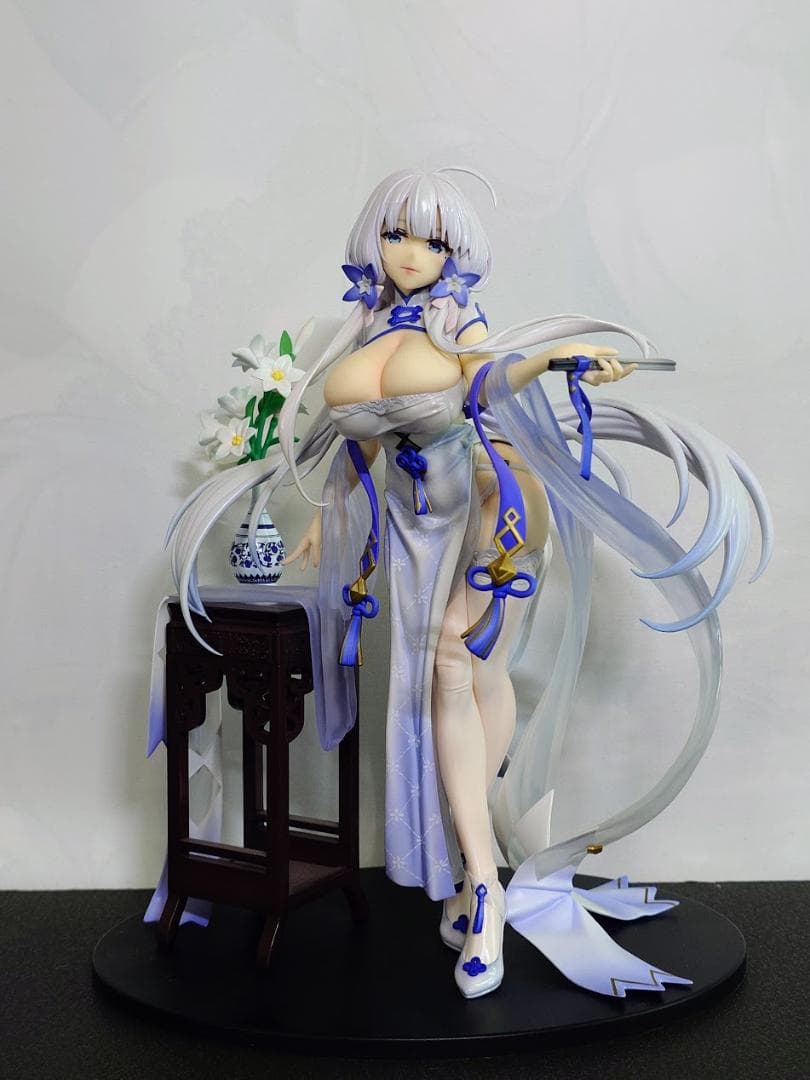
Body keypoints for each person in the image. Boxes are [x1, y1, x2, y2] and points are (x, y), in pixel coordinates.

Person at [167, 167, 771, 999]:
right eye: (397, 234)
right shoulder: (363, 326)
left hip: (495, 500)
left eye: (432, 239)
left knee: (455, 661)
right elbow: (362, 436)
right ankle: (470, 861)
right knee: (452, 681)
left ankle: (483, 890)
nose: (411, 252)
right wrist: (327, 515)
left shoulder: (458, 319)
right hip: (416, 527)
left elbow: (484, 384)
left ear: (456, 252)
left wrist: (550, 359)